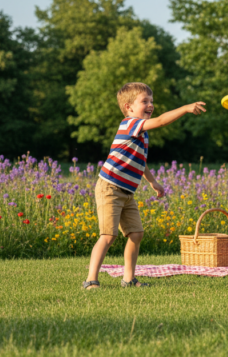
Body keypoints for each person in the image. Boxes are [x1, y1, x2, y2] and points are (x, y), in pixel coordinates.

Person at [82, 82, 205, 289]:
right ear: (129, 107)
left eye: (152, 101)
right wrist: (184, 108)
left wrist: (153, 182)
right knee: (108, 235)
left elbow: (139, 160)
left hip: (127, 192)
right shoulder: (129, 124)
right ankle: (91, 280)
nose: (150, 105)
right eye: (145, 101)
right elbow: (161, 122)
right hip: (110, 188)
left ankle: (129, 279)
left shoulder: (141, 133)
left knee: (136, 234)